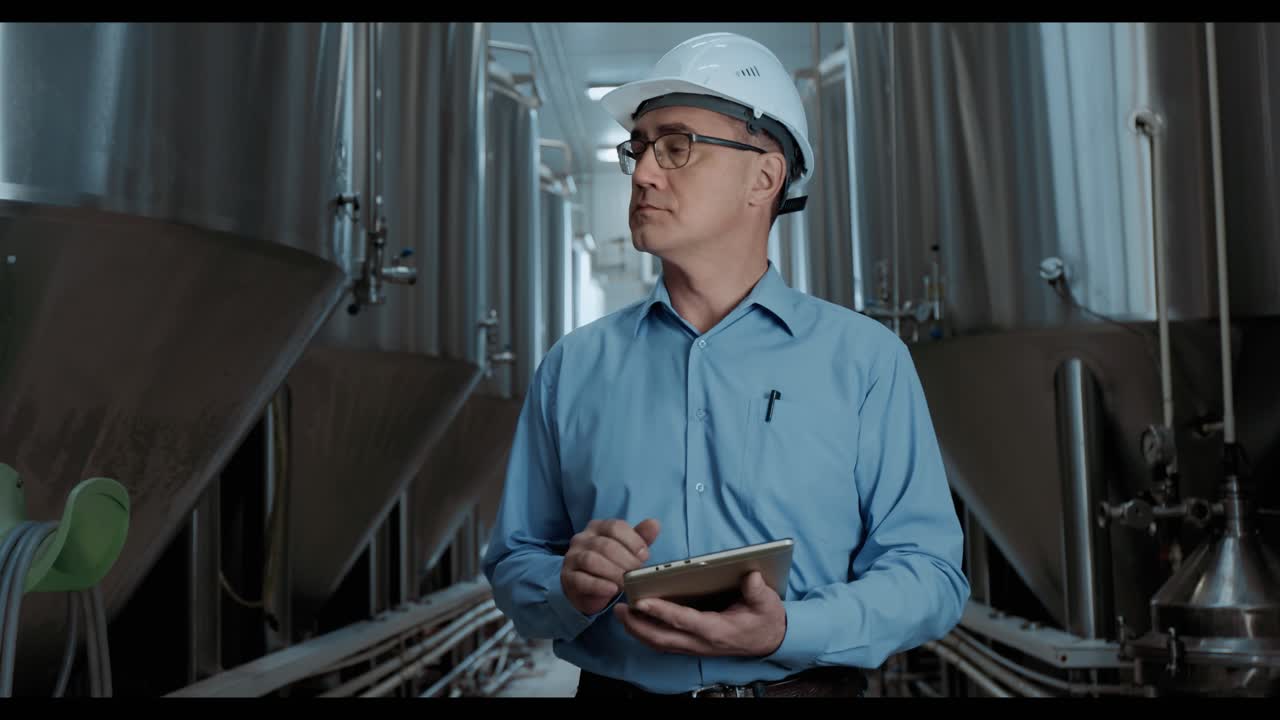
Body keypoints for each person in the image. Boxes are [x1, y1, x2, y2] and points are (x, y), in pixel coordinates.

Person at [482, 31, 969, 698]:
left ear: (763, 177)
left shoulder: (864, 361)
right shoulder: (575, 366)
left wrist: (789, 629)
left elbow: (929, 575)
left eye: (676, 146)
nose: (646, 172)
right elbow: (514, 561)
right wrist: (567, 586)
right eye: (641, 148)